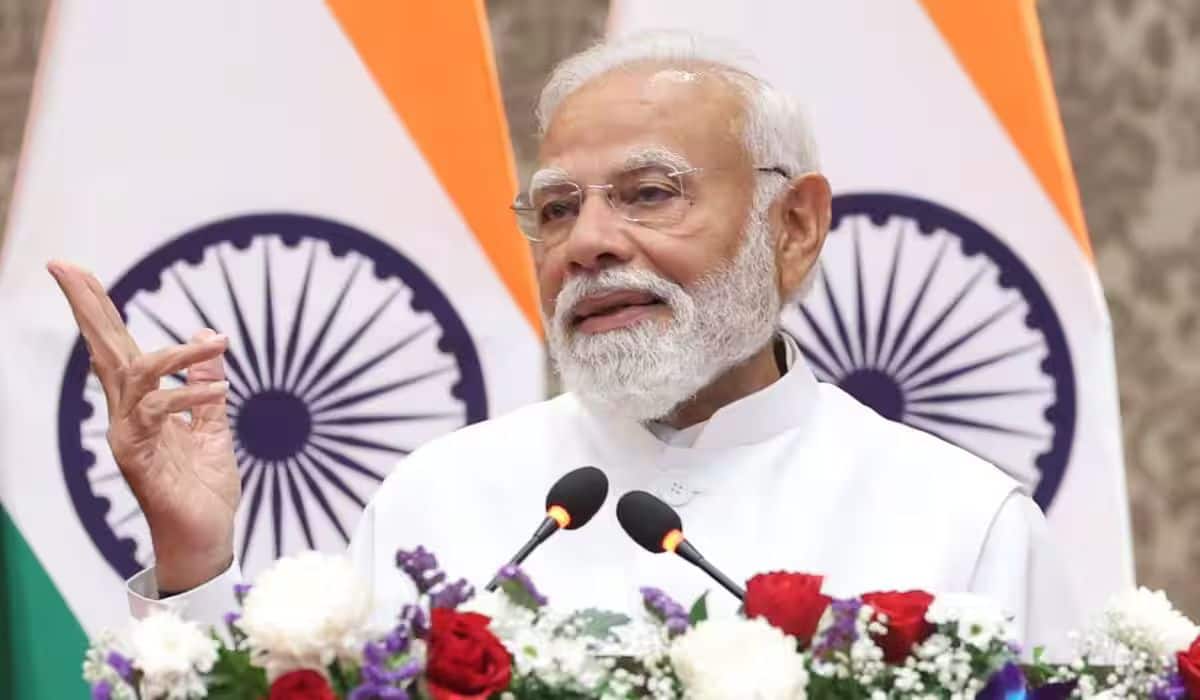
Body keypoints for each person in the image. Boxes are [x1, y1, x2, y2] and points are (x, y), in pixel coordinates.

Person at [47, 31, 1079, 653]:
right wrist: (192, 562)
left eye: (648, 193)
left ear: (794, 226)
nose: (587, 243)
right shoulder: (440, 497)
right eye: (555, 208)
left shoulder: (959, 520)